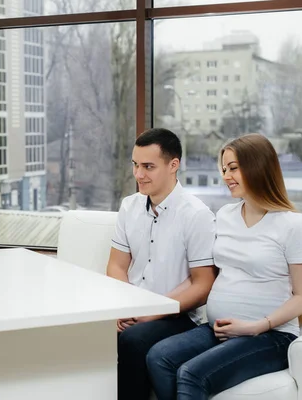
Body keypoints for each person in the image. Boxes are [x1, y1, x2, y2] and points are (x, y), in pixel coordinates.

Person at [146, 133, 302, 400]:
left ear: (258, 166)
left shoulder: (293, 225)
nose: (226, 175)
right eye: (224, 169)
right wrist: (154, 304)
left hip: (270, 336)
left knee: (191, 373)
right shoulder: (225, 215)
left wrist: (257, 326)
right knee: (159, 356)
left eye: (234, 168)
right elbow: (207, 274)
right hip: (219, 329)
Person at [106, 128, 217, 400]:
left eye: (148, 167)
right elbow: (116, 267)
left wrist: (151, 312)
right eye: (135, 165)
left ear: (173, 165)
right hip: (133, 309)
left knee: (132, 339)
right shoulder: (129, 207)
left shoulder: (197, 215)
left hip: (178, 317)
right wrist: (127, 307)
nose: (138, 174)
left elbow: (203, 285)